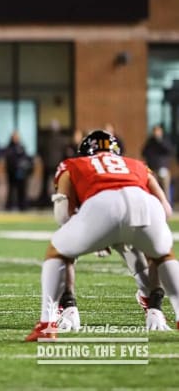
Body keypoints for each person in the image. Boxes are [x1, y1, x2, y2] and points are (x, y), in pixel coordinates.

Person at [26, 130, 179, 341]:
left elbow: (62, 216)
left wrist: (95, 233)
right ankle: (156, 310)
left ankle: (52, 320)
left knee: (58, 252)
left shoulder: (73, 165)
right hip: (145, 206)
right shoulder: (137, 165)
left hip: (101, 206)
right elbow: (166, 209)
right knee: (163, 256)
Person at [141, 124, 174, 199]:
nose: (156, 132)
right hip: (152, 168)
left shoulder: (165, 140)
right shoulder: (150, 141)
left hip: (163, 168)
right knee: (154, 189)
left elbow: (169, 150)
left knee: (165, 189)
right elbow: (144, 152)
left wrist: (160, 140)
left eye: (158, 131)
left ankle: (167, 206)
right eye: (155, 131)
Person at [4, 130, 33, 211]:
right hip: (12, 172)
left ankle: (22, 206)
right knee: (11, 190)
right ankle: (9, 206)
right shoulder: (9, 148)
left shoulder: (21, 147)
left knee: (22, 189)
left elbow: (26, 157)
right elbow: (9, 159)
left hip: (21, 172)